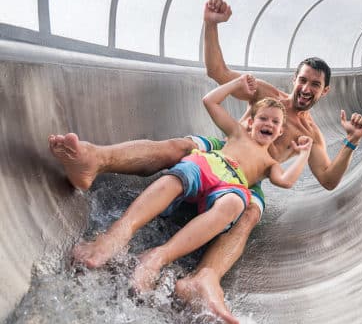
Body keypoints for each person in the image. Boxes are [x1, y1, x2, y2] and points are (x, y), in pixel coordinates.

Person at [48, 0, 362, 324]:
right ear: (294, 79)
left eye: (315, 85)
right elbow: (216, 72)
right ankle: (95, 160)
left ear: (325, 92)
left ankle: (205, 278)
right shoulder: (265, 95)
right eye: (303, 80)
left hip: (249, 178)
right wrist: (211, 24)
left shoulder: (311, 134)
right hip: (224, 148)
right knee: (180, 147)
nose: (306, 88)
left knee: (249, 213)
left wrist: (351, 142)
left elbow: (329, 178)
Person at [71, 74, 312, 296]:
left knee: (234, 204)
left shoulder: (270, 163)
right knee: (180, 175)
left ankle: (158, 257)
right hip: (210, 164)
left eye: (275, 122)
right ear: (251, 122)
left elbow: (286, 181)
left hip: (232, 185)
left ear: (280, 132)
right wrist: (235, 85)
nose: (268, 123)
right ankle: (119, 233)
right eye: (263, 118)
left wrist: (303, 154)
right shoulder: (238, 133)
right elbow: (210, 102)